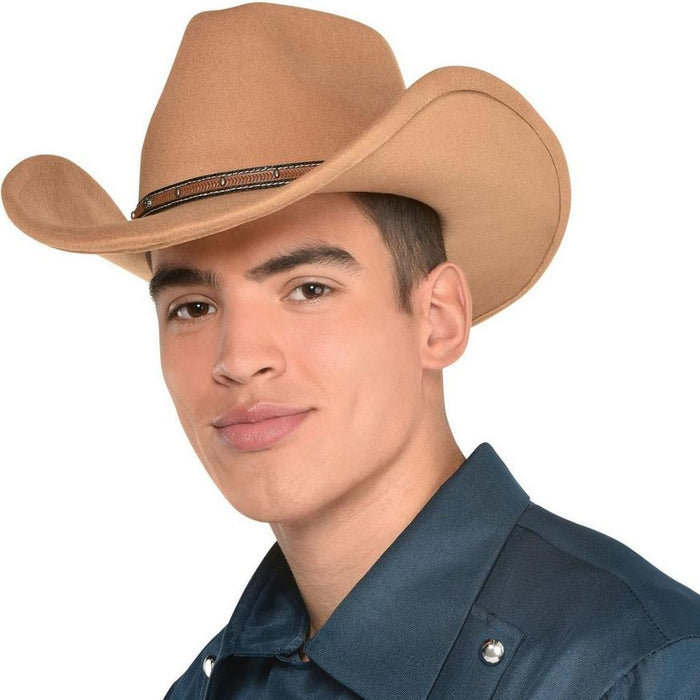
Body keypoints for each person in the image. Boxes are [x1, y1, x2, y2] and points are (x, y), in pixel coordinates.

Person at [2, 3, 699, 699]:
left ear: (438, 319)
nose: (238, 358)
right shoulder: (223, 680)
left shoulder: (632, 666)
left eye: (308, 289)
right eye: (192, 307)